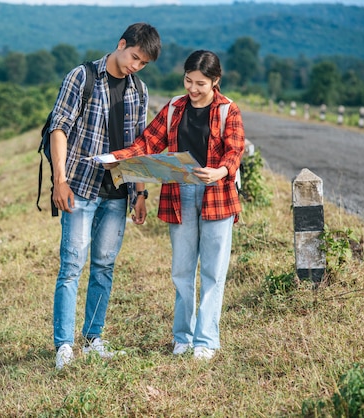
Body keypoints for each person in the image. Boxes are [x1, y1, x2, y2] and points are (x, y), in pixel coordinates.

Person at [104, 50, 245, 360]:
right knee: (182, 271)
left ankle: (205, 341)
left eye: (200, 83)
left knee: (213, 271)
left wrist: (220, 171)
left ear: (215, 81)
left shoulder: (227, 111)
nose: (192, 89)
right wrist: (116, 159)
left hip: (217, 196)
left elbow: (235, 151)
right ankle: (182, 337)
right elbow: (146, 144)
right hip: (179, 194)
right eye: (188, 81)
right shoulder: (173, 109)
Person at [49, 23, 161, 370]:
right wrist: (60, 181)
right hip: (80, 186)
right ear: (121, 44)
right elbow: (59, 127)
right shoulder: (82, 77)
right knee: (71, 267)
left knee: (103, 267)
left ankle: (94, 338)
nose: (135, 66)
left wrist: (140, 193)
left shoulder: (138, 90)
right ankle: (64, 346)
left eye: (142, 63)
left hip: (117, 192)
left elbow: (138, 147)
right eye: (134, 57)